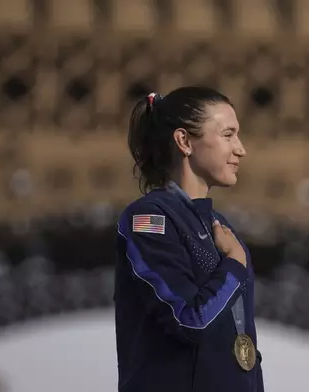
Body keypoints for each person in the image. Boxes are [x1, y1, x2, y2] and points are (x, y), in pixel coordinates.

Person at [114, 86, 264, 392]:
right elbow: (189, 319)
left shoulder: (220, 228)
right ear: (184, 141)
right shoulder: (149, 220)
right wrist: (234, 265)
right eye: (228, 134)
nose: (241, 148)